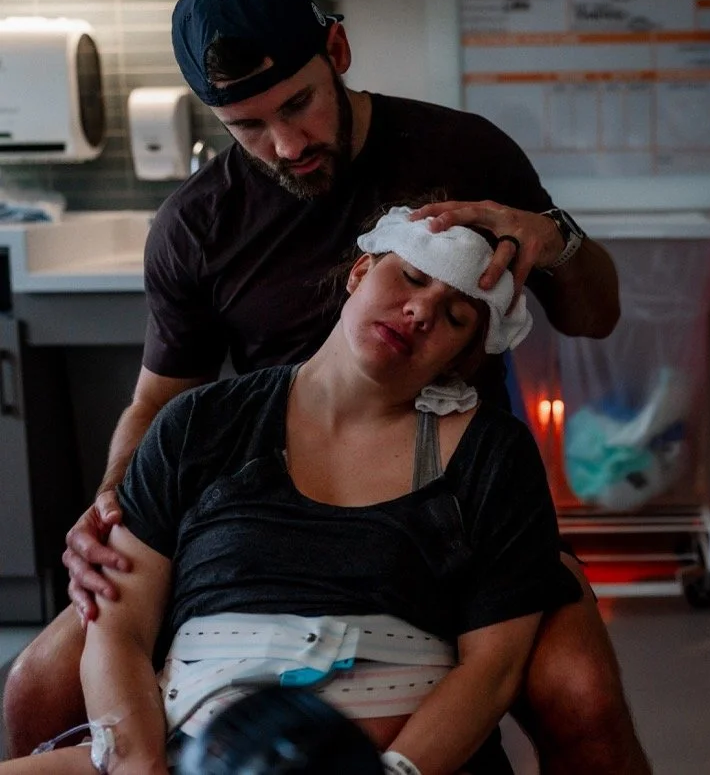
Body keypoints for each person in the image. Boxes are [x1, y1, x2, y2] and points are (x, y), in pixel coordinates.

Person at [2, 0, 650, 774]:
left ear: (336, 50)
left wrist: (557, 240)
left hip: (446, 509)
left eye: (298, 104)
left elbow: (597, 317)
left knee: (578, 691)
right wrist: (112, 506)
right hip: (262, 505)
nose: (286, 143)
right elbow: (161, 398)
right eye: (247, 124)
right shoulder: (197, 226)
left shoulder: (463, 151)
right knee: (36, 682)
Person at [0, 208, 583, 774]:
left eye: (456, 317)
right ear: (360, 271)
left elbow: (492, 669)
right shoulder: (199, 423)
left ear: (463, 353)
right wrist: (138, 764)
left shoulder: (493, 453)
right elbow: (119, 628)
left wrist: (394, 771)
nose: (420, 310)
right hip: (180, 752)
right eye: (410, 276)